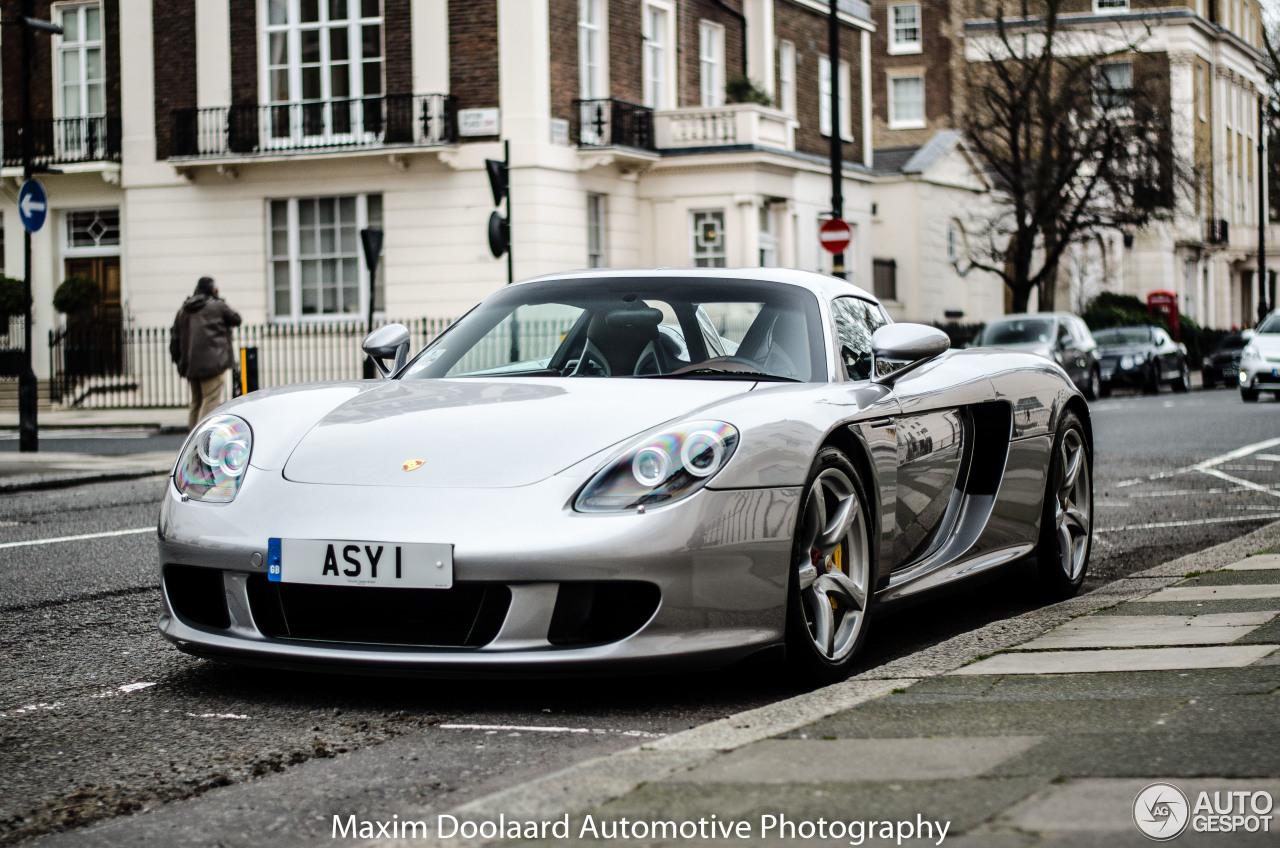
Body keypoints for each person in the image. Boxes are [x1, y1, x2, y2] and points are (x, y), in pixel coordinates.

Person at [170, 276, 242, 431]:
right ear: (213, 290)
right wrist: (218, 298)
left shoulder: (183, 310)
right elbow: (237, 319)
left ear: (196, 290)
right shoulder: (217, 306)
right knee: (210, 401)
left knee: (196, 401)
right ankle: (201, 438)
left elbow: (174, 338)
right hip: (212, 364)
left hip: (191, 365)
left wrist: (180, 363)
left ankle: (191, 438)